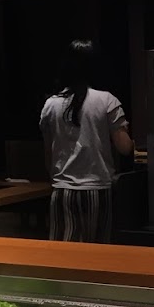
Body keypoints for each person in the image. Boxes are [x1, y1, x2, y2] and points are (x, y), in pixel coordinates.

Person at [39, 40, 134, 243]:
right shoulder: (107, 100)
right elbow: (125, 148)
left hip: (62, 190)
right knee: (98, 251)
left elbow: (48, 153)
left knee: (63, 252)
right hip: (97, 189)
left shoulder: (51, 104)